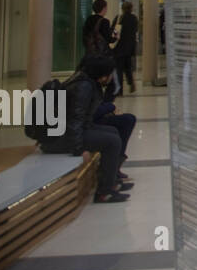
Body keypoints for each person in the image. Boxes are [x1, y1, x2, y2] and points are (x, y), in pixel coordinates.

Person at [36, 54, 132, 203]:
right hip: (60, 138)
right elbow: (74, 121)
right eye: (110, 74)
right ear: (103, 74)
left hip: (64, 133)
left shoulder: (87, 82)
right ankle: (104, 192)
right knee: (112, 141)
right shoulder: (84, 87)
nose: (112, 78)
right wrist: (79, 149)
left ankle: (110, 181)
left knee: (113, 132)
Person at [111, 0, 138, 96]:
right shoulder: (134, 18)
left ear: (122, 8)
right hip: (129, 47)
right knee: (128, 67)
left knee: (119, 68)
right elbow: (135, 31)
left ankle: (119, 89)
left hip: (119, 47)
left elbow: (113, 31)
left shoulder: (119, 18)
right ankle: (131, 82)